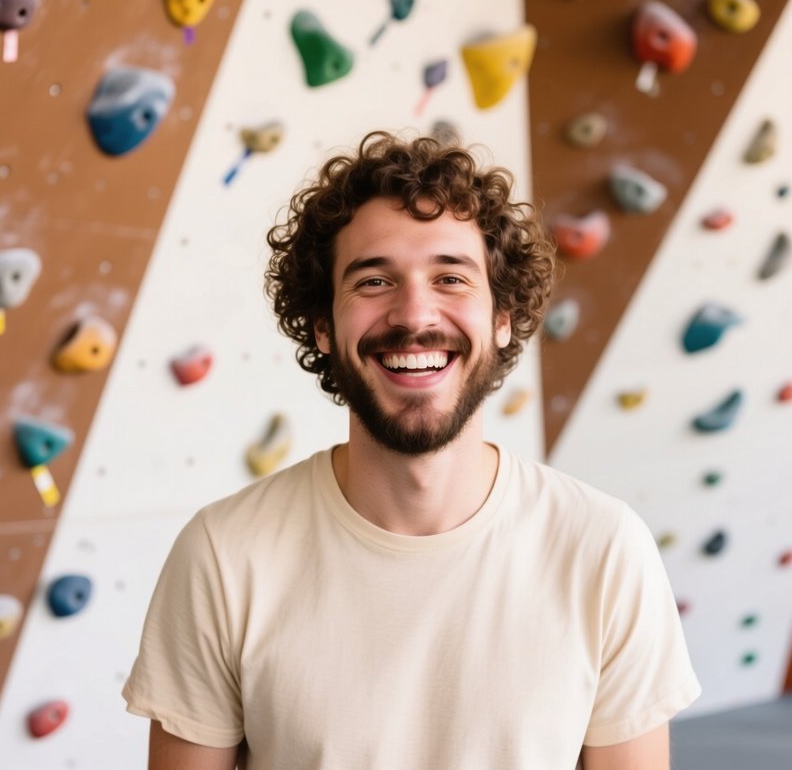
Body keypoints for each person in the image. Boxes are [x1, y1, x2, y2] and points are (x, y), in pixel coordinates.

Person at [123, 131, 701, 769]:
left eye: (451, 277)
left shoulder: (604, 549)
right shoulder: (224, 555)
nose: (413, 313)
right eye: (373, 281)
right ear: (323, 324)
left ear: (502, 317)